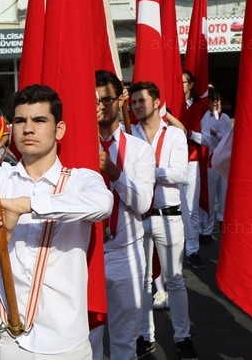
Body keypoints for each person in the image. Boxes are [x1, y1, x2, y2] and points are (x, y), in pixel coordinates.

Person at [0, 84, 113, 359]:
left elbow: (103, 204)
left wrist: (26, 206)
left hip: (65, 340)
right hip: (10, 337)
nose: (28, 129)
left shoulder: (80, 179)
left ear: (60, 130)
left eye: (39, 120)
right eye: (20, 120)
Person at [88, 70, 155, 360]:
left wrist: (114, 172)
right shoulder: (72, 148)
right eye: (94, 100)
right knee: (86, 338)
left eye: (107, 99)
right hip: (84, 254)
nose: (101, 106)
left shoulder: (139, 150)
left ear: (121, 99)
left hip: (124, 254)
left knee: (125, 340)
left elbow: (143, 204)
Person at [129, 82, 198, 360]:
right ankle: (146, 337)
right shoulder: (128, 133)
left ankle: (183, 337)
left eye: (141, 101)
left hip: (168, 217)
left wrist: (146, 171)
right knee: (143, 282)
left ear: (157, 103)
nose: (135, 106)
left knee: (175, 280)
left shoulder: (175, 136)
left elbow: (180, 173)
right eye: (132, 102)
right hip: (137, 216)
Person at [177, 70, 209, 269]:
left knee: (191, 207)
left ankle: (192, 250)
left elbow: (206, 139)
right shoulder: (170, 106)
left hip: (192, 161)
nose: (181, 85)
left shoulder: (201, 108)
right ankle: (176, 248)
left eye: (184, 82)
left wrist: (188, 133)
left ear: (191, 85)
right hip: (171, 161)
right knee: (174, 207)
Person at [199, 86, 232, 239]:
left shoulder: (224, 118)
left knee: (223, 196)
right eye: (210, 101)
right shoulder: (203, 118)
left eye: (214, 101)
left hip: (221, 161)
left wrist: (214, 133)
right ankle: (207, 228)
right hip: (208, 162)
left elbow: (226, 140)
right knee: (210, 197)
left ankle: (222, 221)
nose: (213, 104)